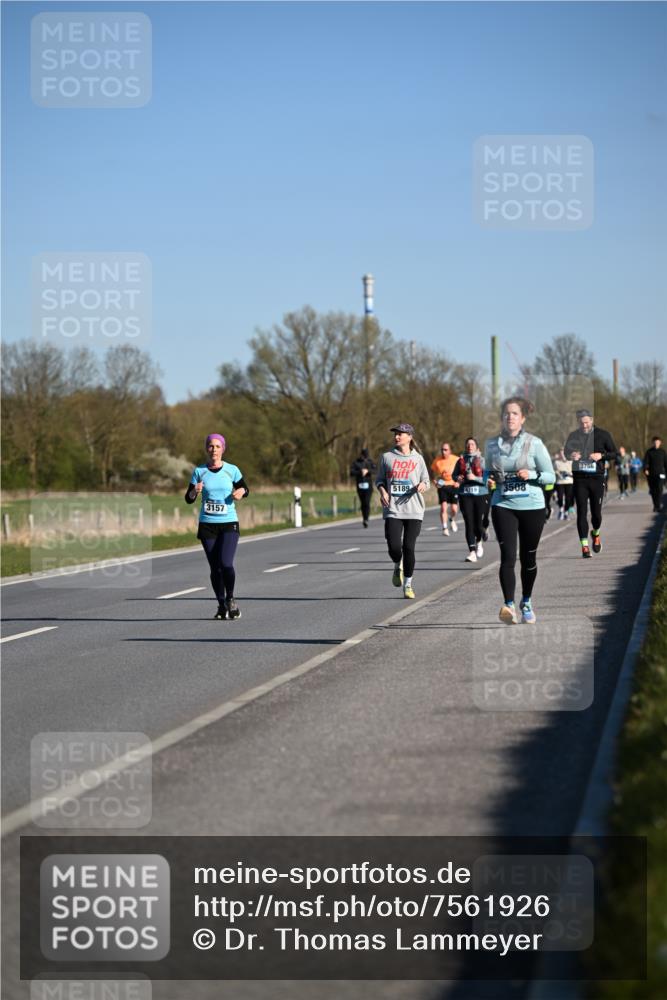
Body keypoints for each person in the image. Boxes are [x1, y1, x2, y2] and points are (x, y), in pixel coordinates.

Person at [485, 396, 555, 625]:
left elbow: (551, 477)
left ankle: (526, 601)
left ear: (523, 418)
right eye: (506, 413)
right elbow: (486, 472)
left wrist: (531, 475)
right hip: (503, 504)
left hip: (532, 506)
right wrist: (488, 481)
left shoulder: (535, 443)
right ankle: (509, 606)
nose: (510, 417)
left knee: (528, 557)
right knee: (507, 556)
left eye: (515, 413)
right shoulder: (491, 445)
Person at [184, 433, 249, 620]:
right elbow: (188, 498)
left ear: (223, 449)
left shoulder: (232, 470)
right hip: (207, 525)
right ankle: (221, 605)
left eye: (217, 446)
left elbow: (245, 489)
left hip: (229, 523)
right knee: (215, 568)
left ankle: (231, 599)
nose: (214, 449)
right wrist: (195, 492)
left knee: (226, 563)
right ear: (207, 448)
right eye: (211, 446)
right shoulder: (199, 471)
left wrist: (241, 491)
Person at [376, 422, 430, 599]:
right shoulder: (387, 457)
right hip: (393, 509)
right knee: (394, 547)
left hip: (414, 510)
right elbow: (379, 480)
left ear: (410, 437)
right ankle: (396, 562)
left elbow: (426, 481)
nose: (397, 436)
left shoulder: (418, 459)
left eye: (400, 434)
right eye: (395, 434)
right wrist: (383, 491)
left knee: (408, 547)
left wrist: (422, 485)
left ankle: (408, 585)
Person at [564, 409, 617, 558]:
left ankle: (596, 533)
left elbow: (614, 453)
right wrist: (571, 455)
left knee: (596, 515)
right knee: (581, 512)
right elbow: (566, 452)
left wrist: (602, 455)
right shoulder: (573, 436)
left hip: (597, 478)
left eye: (587, 422)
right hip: (580, 479)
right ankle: (585, 546)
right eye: (581, 423)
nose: (584, 425)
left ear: (592, 420)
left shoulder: (603, 434)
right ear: (578, 422)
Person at [452, 437, 489, 563]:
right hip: (465, 494)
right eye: (467, 444)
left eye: (472, 444)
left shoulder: (483, 461)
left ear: (476, 447)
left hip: (480, 494)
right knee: (469, 522)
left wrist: (474, 478)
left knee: (478, 523)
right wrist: (458, 478)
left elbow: (487, 479)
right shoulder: (460, 460)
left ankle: (479, 541)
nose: (469, 446)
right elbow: (454, 475)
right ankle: (472, 552)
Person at [430, 442, 459, 536]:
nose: (443, 451)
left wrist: (459, 482)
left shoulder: (456, 459)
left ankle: (452, 519)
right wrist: (435, 482)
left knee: (454, 509)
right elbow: (431, 472)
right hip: (442, 486)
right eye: (442, 450)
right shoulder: (437, 461)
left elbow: (462, 472)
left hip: (453, 485)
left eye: (446, 450)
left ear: (450, 451)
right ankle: (445, 527)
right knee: (443, 507)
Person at [350, 448, 376, 527]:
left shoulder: (370, 462)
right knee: (363, 503)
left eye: (366, 456)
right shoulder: (356, 462)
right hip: (360, 486)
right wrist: (360, 472)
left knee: (367, 502)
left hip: (369, 486)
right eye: (363, 455)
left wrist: (368, 471)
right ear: (361, 455)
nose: (365, 457)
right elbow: (351, 473)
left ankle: (366, 519)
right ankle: (364, 517)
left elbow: (375, 470)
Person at [643, 436, 667, 513]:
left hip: (661, 474)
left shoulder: (663, 452)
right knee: (653, 491)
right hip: (651, 474)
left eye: (657, 442)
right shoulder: (649, 452)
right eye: (655, 442)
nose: (656, 444)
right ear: (653, 443)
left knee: (659, 489)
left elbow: (666, 463)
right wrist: (645, 469)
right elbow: (645, 462)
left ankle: (658, 505)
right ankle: (655, 506)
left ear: (660, 443)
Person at [553, 449, 574, 520]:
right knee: (560, 497)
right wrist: (558, 473)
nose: (563, 455)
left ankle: (566, 512)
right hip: (560, 482)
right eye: (561, 454)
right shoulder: (556, 463)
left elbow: (574, 472)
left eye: (564, 454)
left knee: (568, 498)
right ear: (559, 455)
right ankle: (561, 509)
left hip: (569, 482)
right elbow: (553, 471)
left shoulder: (571, 462)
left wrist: (568, 474)